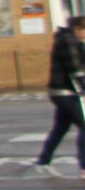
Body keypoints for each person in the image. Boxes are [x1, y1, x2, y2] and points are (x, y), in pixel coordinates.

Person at [34, 19, 84, 178]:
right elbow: (74, 67)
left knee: (61, 128)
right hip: (64, 91)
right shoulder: (68, 41)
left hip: (63, 91)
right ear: (78, 28)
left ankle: (43, 161)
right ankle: (83, 166)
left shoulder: (69, 39)